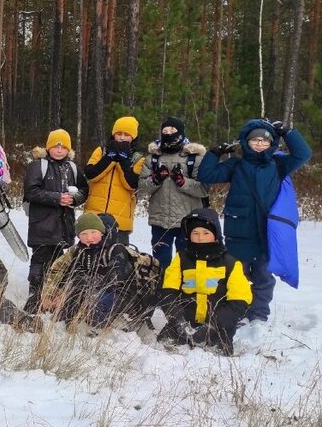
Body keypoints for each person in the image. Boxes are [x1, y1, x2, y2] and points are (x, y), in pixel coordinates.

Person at [198, 119, 311, 322]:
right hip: (240, 231)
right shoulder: (237, 164)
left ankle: (259, 315)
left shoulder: (278, 165)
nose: (259, 144)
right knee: (236, 276)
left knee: (264, 278)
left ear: (271, 143)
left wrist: (288, 132)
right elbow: (207, 174)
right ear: (246, 142)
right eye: (254, 140)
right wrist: (214, 153)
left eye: (264, 140)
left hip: (267, 233)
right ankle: (236, 312)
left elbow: (303, 154)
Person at [157, 209, 253, 355]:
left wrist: (216, 323)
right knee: (161, 350)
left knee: (218, 355)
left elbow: (240, 299)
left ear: (215, 235)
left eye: (205, 233)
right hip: (183, 323)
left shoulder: (231, 263)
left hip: (217, 326)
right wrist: (177, 318)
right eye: (195, 233)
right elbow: (168, 291)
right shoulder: (180, 259)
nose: (200, 238)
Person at [23, 129, 89, 312]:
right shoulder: (38, 165)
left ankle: (53, 298)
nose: (59, 150)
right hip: (42, 224)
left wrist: (75, 199)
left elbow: (84, 190)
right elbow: (30, 191)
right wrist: (57, 198)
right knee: (40, 260)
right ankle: (34, 296)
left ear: (69, 149)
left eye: (63, 146)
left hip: (64, 224)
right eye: (55, 146)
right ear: (48, 147)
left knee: (59, 262)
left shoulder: (73, 168)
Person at [40, 212, 135, 327]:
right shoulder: (78, 250)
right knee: (73, 290)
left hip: (120, 294)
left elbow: (114, 279)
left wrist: (86, 292)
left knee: (97, 307)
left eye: (93, 232)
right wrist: (54, 294)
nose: (89, 238)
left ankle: (102, 326)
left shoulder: (116, 249)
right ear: (78, 236)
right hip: (93, 290)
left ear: (101, 232)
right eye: (84, 233)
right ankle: (68, 320)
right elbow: (60, 270)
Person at [137, 117, 209, 268]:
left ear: (181, 133)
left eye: (172, 131)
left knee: (187, 264)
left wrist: (183, 181)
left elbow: (204, 189)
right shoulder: (153, 159)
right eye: (165, 131)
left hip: (188, 220)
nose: (168, 134)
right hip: (160, 220)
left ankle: (186, 291)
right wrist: (156, 179)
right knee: (160, 264)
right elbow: (142, 188)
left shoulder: (194, 158)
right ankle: (162, 290)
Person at [84, 116, 145, 245]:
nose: (122, 137)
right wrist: (110, 158)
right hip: (94, 217)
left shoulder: (138, 159)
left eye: (126, 135)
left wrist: (123, 160)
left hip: (120, 220)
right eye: (119, 134)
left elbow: (131, 184)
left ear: (133, 137)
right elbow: (91, 174)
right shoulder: (101, 151)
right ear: (113, 135)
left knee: (117, 259)